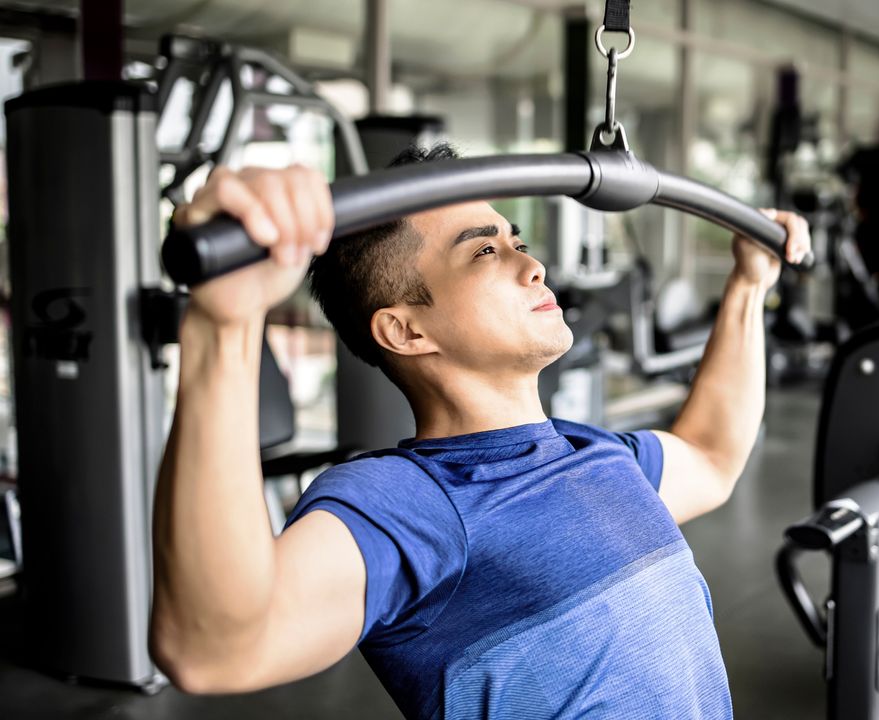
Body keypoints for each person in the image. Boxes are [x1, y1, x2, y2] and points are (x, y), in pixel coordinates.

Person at [149, 144, 811, 719]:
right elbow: (213, 650)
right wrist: (227, 324)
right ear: (406, 329)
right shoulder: (413, 503)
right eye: (485, 251)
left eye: (517, 242)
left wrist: (749, 287)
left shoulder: (597, 451)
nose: (532, 267)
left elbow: (712, 456)